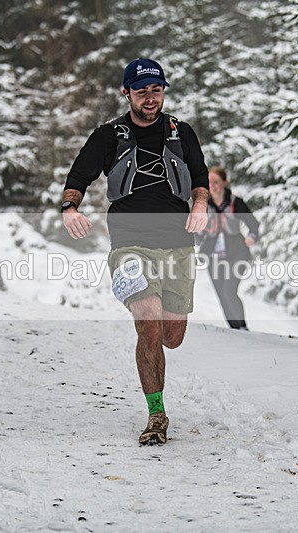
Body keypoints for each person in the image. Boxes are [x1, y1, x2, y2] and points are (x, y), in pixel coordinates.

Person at [61, 58, 209, 445]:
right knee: (148, 321)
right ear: (127, 93)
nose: (150, 98)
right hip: (129, 244)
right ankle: (156, 414)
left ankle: (154, 342)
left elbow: (200, 178)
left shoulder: (182, 132)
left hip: (177, 244)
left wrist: (200, 204)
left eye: (156, 90)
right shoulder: (109, 135)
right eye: (142, 91)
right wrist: (69, 208)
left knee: (171, 336)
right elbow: (78, 176)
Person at [198, 166, 259, 330]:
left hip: (237, 253)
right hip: (213, 257)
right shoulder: (203, 205)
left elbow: (253, 224)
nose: (213, 186)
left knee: (229, 291)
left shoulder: (234, 202)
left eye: (216, 182)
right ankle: (235, 330)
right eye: (209, 182)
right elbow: (197, 234)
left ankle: (243, 327)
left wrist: (251, 237)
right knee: (222, 295)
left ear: (225, 183)